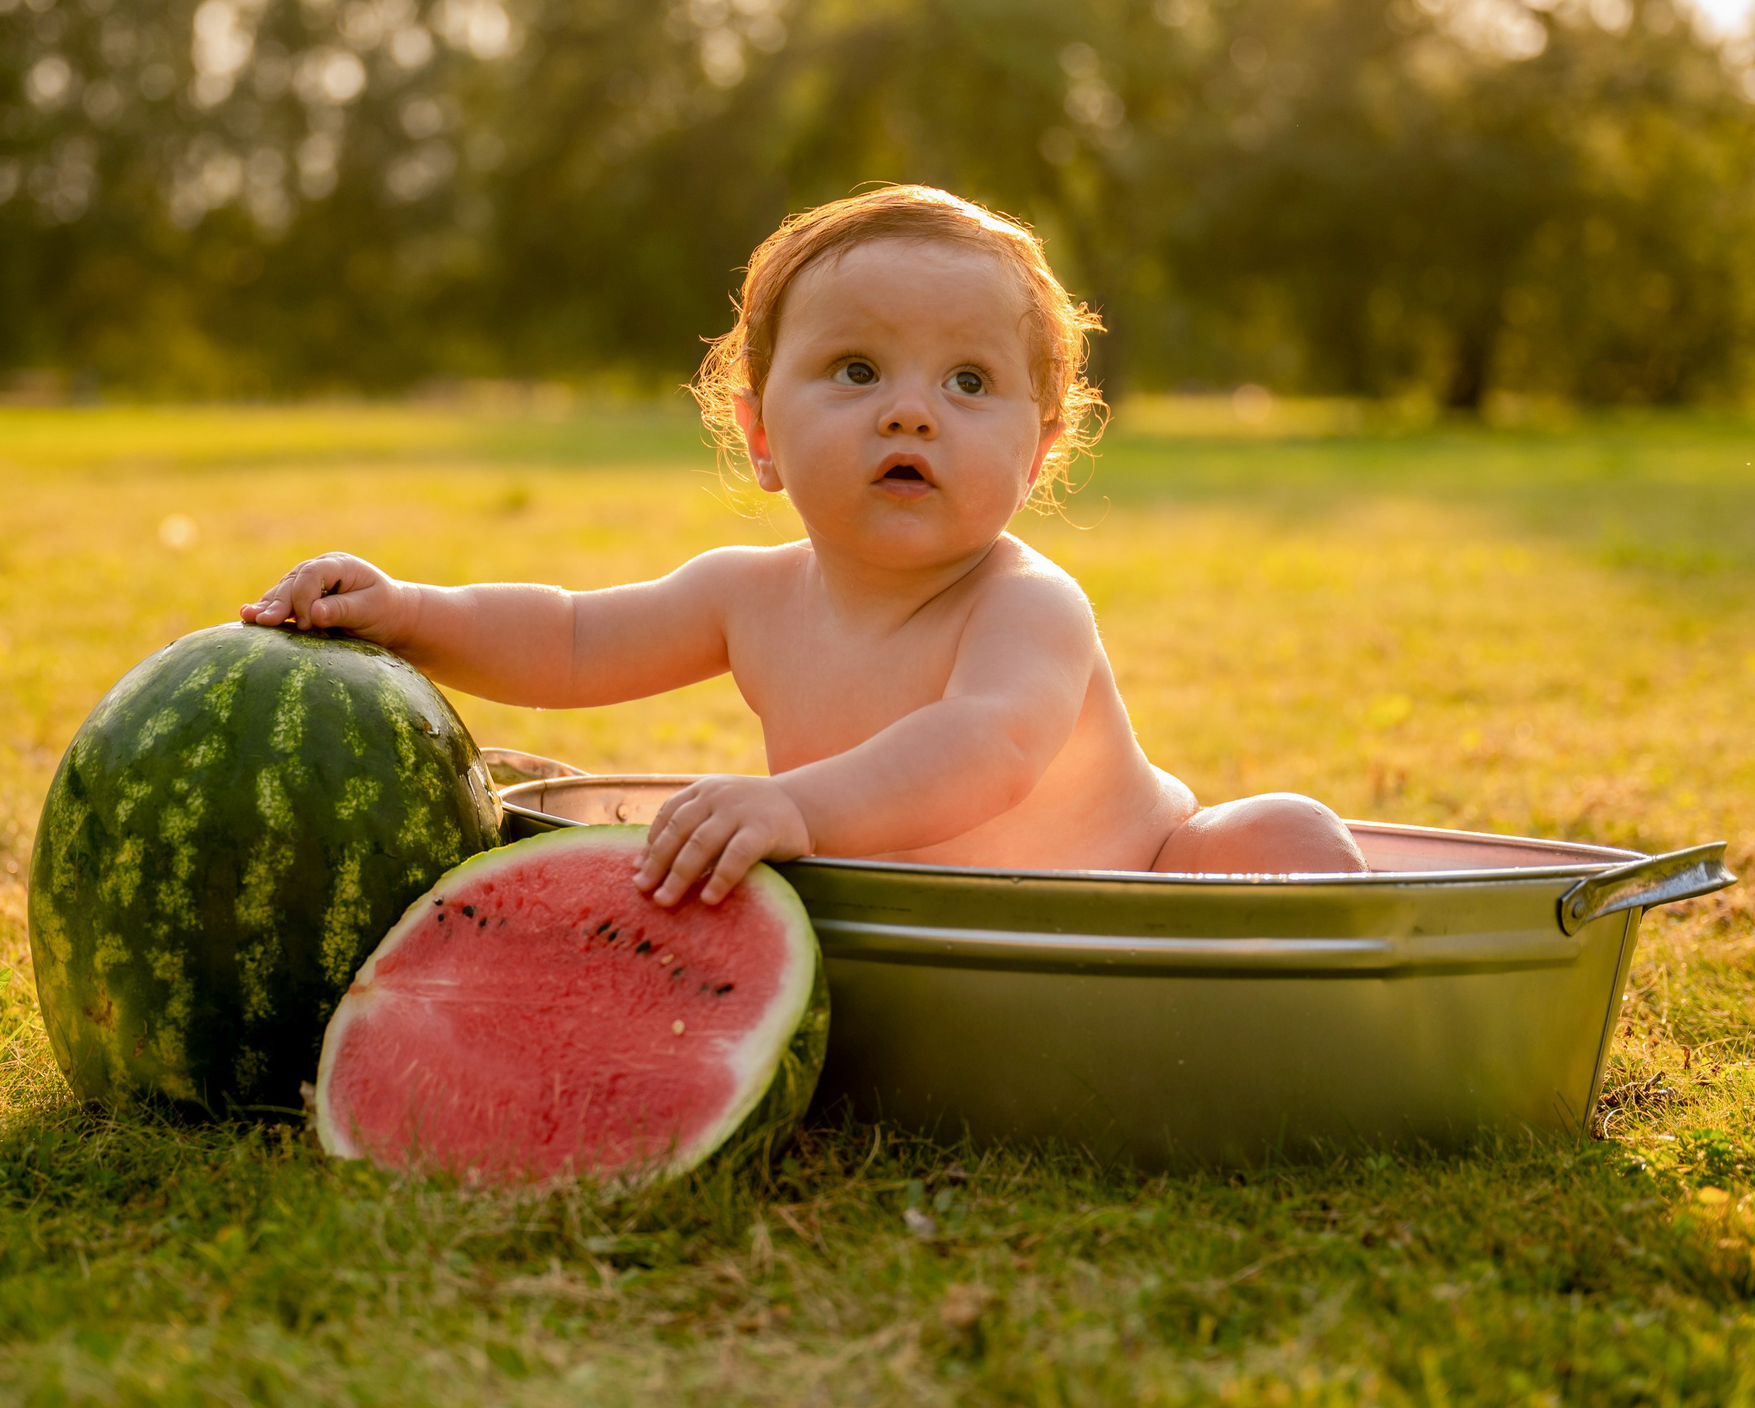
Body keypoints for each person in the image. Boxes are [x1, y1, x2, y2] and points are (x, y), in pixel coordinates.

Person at [242, 185, 1365, 903]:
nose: (911, 411)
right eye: (858, 370)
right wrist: (408, 611)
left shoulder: (1026, 603)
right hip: (921, 941)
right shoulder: (752, 597)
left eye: (968, 381)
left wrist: (799, 808)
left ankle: (1337, 1020)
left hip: (1134, 895)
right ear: (762, 431)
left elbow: (988, 746)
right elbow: (575, 639)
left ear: (1039, 451)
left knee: (1285, 834)